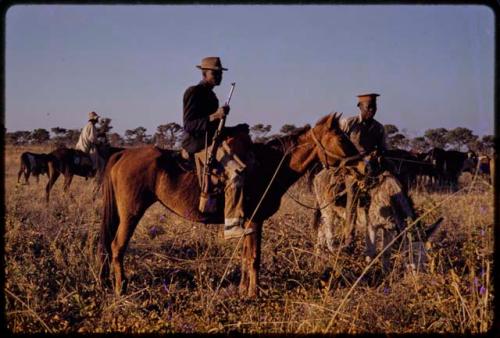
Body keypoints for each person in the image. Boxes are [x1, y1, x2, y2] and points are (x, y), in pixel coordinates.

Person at [181, 56, 251, 240]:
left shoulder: (212, 96)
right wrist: (215, 116)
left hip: (212, 141)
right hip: (198, 145)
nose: (219, 76)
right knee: (235, 174)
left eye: (220, 73)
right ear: (204, 73)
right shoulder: (193, 92)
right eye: (215, 73)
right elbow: (189, 125)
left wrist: (234, 128)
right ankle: (232, 225)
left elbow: (213, 128)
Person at [339, 93, 388, 249]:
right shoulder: (349, 123)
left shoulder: (379, 128)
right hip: (351, 168)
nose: (372, 110)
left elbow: (383, 149)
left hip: (372, 169)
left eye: (374, 107)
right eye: (369, 107)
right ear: (360, 107)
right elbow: (337, 143)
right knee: (352, 197)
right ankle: (349, 238)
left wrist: (378, 155)